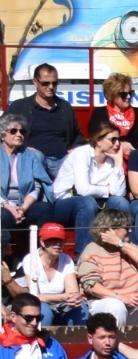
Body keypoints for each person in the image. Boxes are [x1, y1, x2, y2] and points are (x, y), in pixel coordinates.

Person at [51, 125, 130, 255]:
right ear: (98, 141)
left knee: (121, 203)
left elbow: (119, 193)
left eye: (119, 140)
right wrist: (106, 189)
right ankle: (84, 254)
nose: (117, 144)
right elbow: (83, 190)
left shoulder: (112, 159)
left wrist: (118, 163)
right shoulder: (82, 153)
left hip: (97, 202)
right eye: (112, 139)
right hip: (66, 202)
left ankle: (120, 249)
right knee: (87, 202)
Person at [10, 64, 83, 177]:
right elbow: (3, 131)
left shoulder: (65, 107)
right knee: (36, 156)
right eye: (45, 83)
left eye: (54, 83)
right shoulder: (20, 107)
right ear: (35, 82)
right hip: (32, 161)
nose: (51, 87)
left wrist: (75, 150)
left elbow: (77, 136)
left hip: (62, 161)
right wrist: (22, 147)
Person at [0, 114, 52, 259]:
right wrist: (9, 207)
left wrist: (23, 208)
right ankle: (5, 260)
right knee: (2, 216)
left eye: (22, 132)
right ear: (3, 135)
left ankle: (40, 258)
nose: (19, 134)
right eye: (13, 131)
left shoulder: (31, 156)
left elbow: (36, 186)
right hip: (3, 205)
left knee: (44, 209)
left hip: (24, 204)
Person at [20, 223, 84, 326]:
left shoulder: (67, 260)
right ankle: (42, 341)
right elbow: (34, 295)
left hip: (62, 306)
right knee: (44, 310)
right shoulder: (30, 260)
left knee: (81, 309)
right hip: (38, 303)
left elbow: (72, 293)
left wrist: (72, 298)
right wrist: (62, 297)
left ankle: (77, 340)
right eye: (52, 240)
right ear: (42, 242)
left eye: (61, 240)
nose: (57, 244)